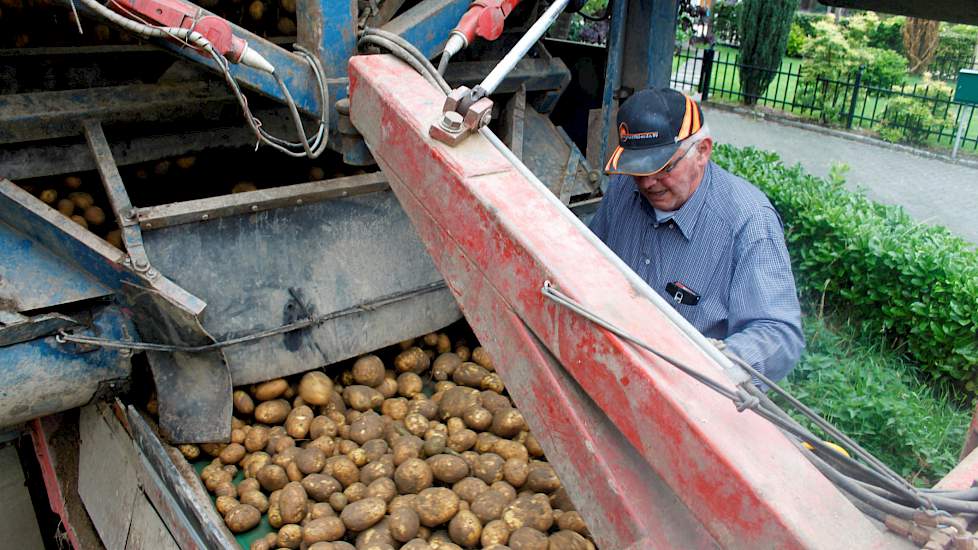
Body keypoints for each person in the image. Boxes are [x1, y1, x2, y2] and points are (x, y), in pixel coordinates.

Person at [589, 87, 804, 385]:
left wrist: (717, 365)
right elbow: (588, 263)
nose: (648, 182)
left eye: (663, 167)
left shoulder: (749, 222)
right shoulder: (623, 191)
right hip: (609, 364)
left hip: (689, 392)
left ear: (702, 151)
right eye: (637, 169)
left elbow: (778, 332)